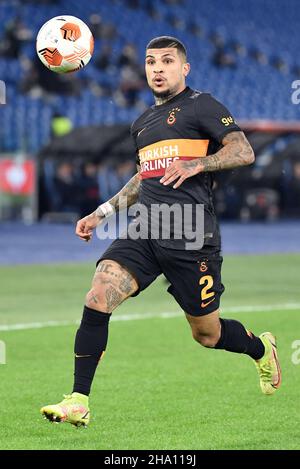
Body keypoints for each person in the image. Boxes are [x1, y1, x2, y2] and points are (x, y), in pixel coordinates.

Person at [41, 36, 281, 427]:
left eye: (167, 61)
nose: (157, 68)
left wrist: (198, 164)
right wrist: (102, 211)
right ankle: (78, 399)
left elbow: (243, 151)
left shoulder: (202, 105)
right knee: (99, 293)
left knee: (206, 334)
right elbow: (143, 177)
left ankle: (260, 348)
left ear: (183, 69)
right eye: (151, 62)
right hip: (146, 229)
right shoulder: (142, 124)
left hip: (191, 236)